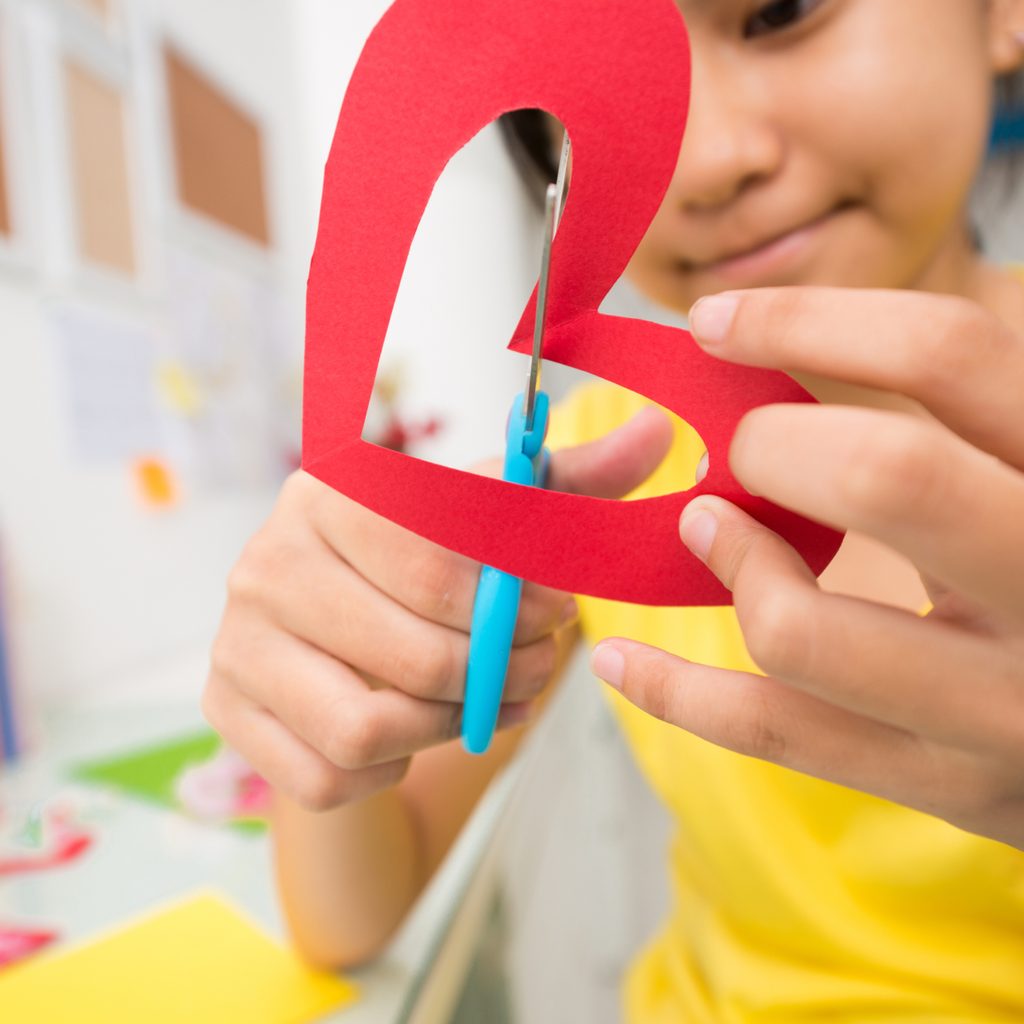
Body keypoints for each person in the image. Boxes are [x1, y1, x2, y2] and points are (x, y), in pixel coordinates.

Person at [203, 0, 1024, 1018]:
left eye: (778, 12)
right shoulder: (604, 456)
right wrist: (321, 689)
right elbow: (350, 917)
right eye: (602, 88)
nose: (710, 158)